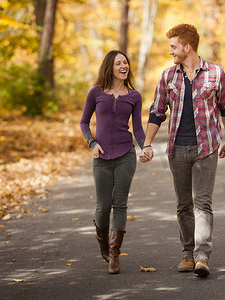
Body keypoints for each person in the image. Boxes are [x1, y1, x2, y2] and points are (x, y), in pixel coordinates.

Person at [139, 24, 225, 277]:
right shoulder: (168, 77)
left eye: (173, 46)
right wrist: (147, 144)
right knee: (183, 204)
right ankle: (187, 254)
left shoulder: (216, 73)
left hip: (207, 147)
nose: (170, 51)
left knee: (203, 204)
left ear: (187, 47)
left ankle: (202, 257)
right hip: (177, 148)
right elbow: (157, 112)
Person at [80, 50, 145, 274]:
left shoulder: (134, 96)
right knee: (102, 207)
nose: (123, 66)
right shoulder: (95, 93)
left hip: (126, 154)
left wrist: (144, 146)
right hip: (102, 156)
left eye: (125, 62)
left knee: (120, 204)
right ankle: (104, 249)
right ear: (110, 67)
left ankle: (115, 254)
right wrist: (92, 143)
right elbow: (84, 122)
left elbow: (137, 127)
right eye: (118, 63)